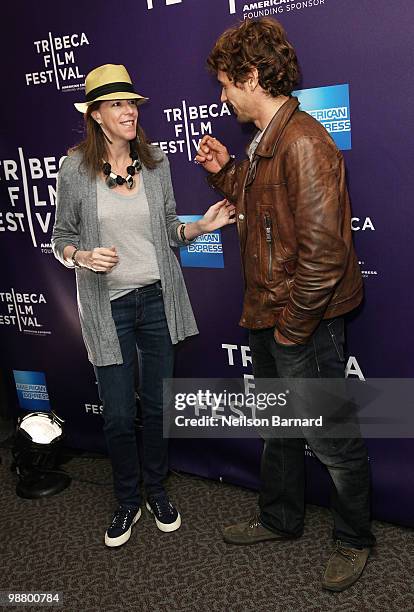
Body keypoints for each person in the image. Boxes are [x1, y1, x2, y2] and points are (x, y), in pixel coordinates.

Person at [196, 19, 375, 591]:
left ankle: (354, 538)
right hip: (273, 314)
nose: (222, 97)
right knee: (279, 427)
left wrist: (294, 330)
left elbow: (324, 256)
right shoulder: (271, 138)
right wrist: (225, 171)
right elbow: (265, 204)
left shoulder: (303, 142)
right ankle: (279, 518)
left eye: (226, 84)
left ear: (252, 76)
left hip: (303, 321)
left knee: (332, 438)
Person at [52, 64, 235, 548]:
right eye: (117, 104)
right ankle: (126, 499)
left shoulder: (155, 164)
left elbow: (170, 230)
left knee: (156, 406)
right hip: (106, 307)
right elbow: (60, 239)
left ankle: (156, 490)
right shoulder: (74, 168)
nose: (129, 111)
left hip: (156, 301)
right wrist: (82, 256)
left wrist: (199, 228)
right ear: (95, 114)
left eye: (131, 102)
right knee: (116, 414)